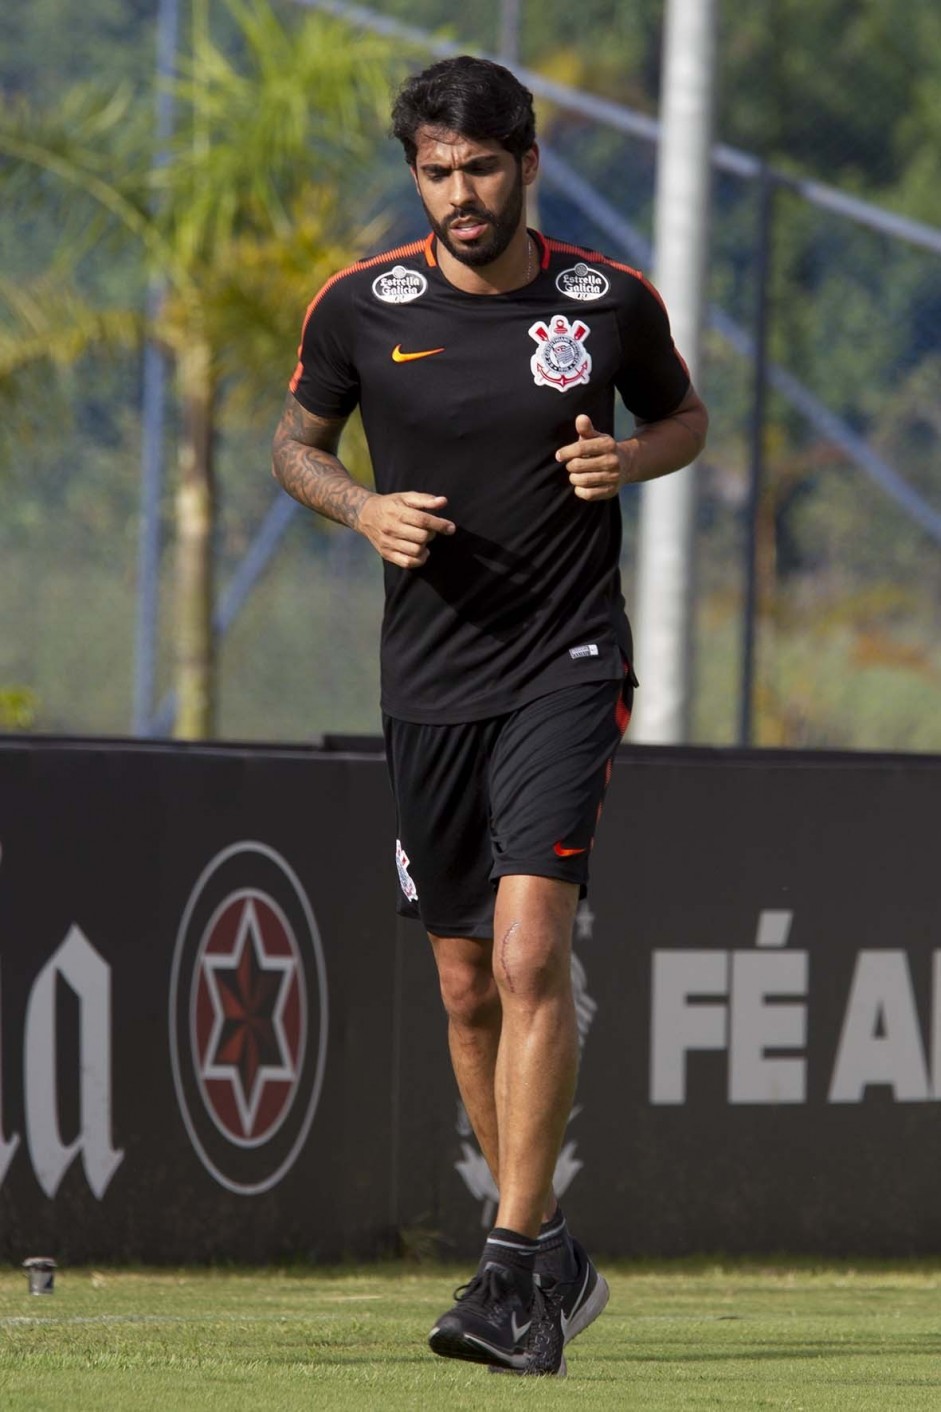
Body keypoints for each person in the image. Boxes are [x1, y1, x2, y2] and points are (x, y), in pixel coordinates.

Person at [272, 55, 708, 1376]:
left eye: (480, 167)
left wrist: (626, 458)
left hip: (566, 663)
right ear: (418, 175)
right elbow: (294, 444)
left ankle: (508, 1269)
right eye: (435, 172)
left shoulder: (604, 299)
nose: (459, 194)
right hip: (428, 684)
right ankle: (549, 1256)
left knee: (529, 956)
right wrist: (359, 507)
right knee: (464, 983)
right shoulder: (360, 306)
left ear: (527, 162)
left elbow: (682, 416)